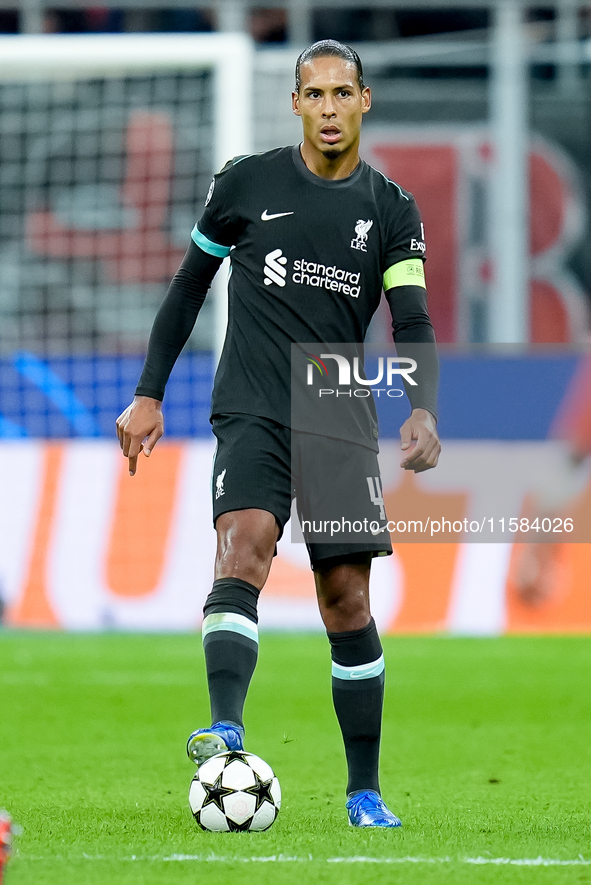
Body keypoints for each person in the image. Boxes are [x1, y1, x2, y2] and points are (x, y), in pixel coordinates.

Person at [116, 40, 441, 828]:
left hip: (337, 409)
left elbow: (412, 317)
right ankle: (225, 724)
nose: (328, 108)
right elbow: (189, 286)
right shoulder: (245, 182)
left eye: (341, 93)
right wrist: (148, 394)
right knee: (245, 542)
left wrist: (422, 407)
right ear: (295, 103)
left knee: (345, 596)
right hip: (253, 401)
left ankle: (363, 790)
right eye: (314, 94)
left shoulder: (391, 209)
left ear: (364, 101)